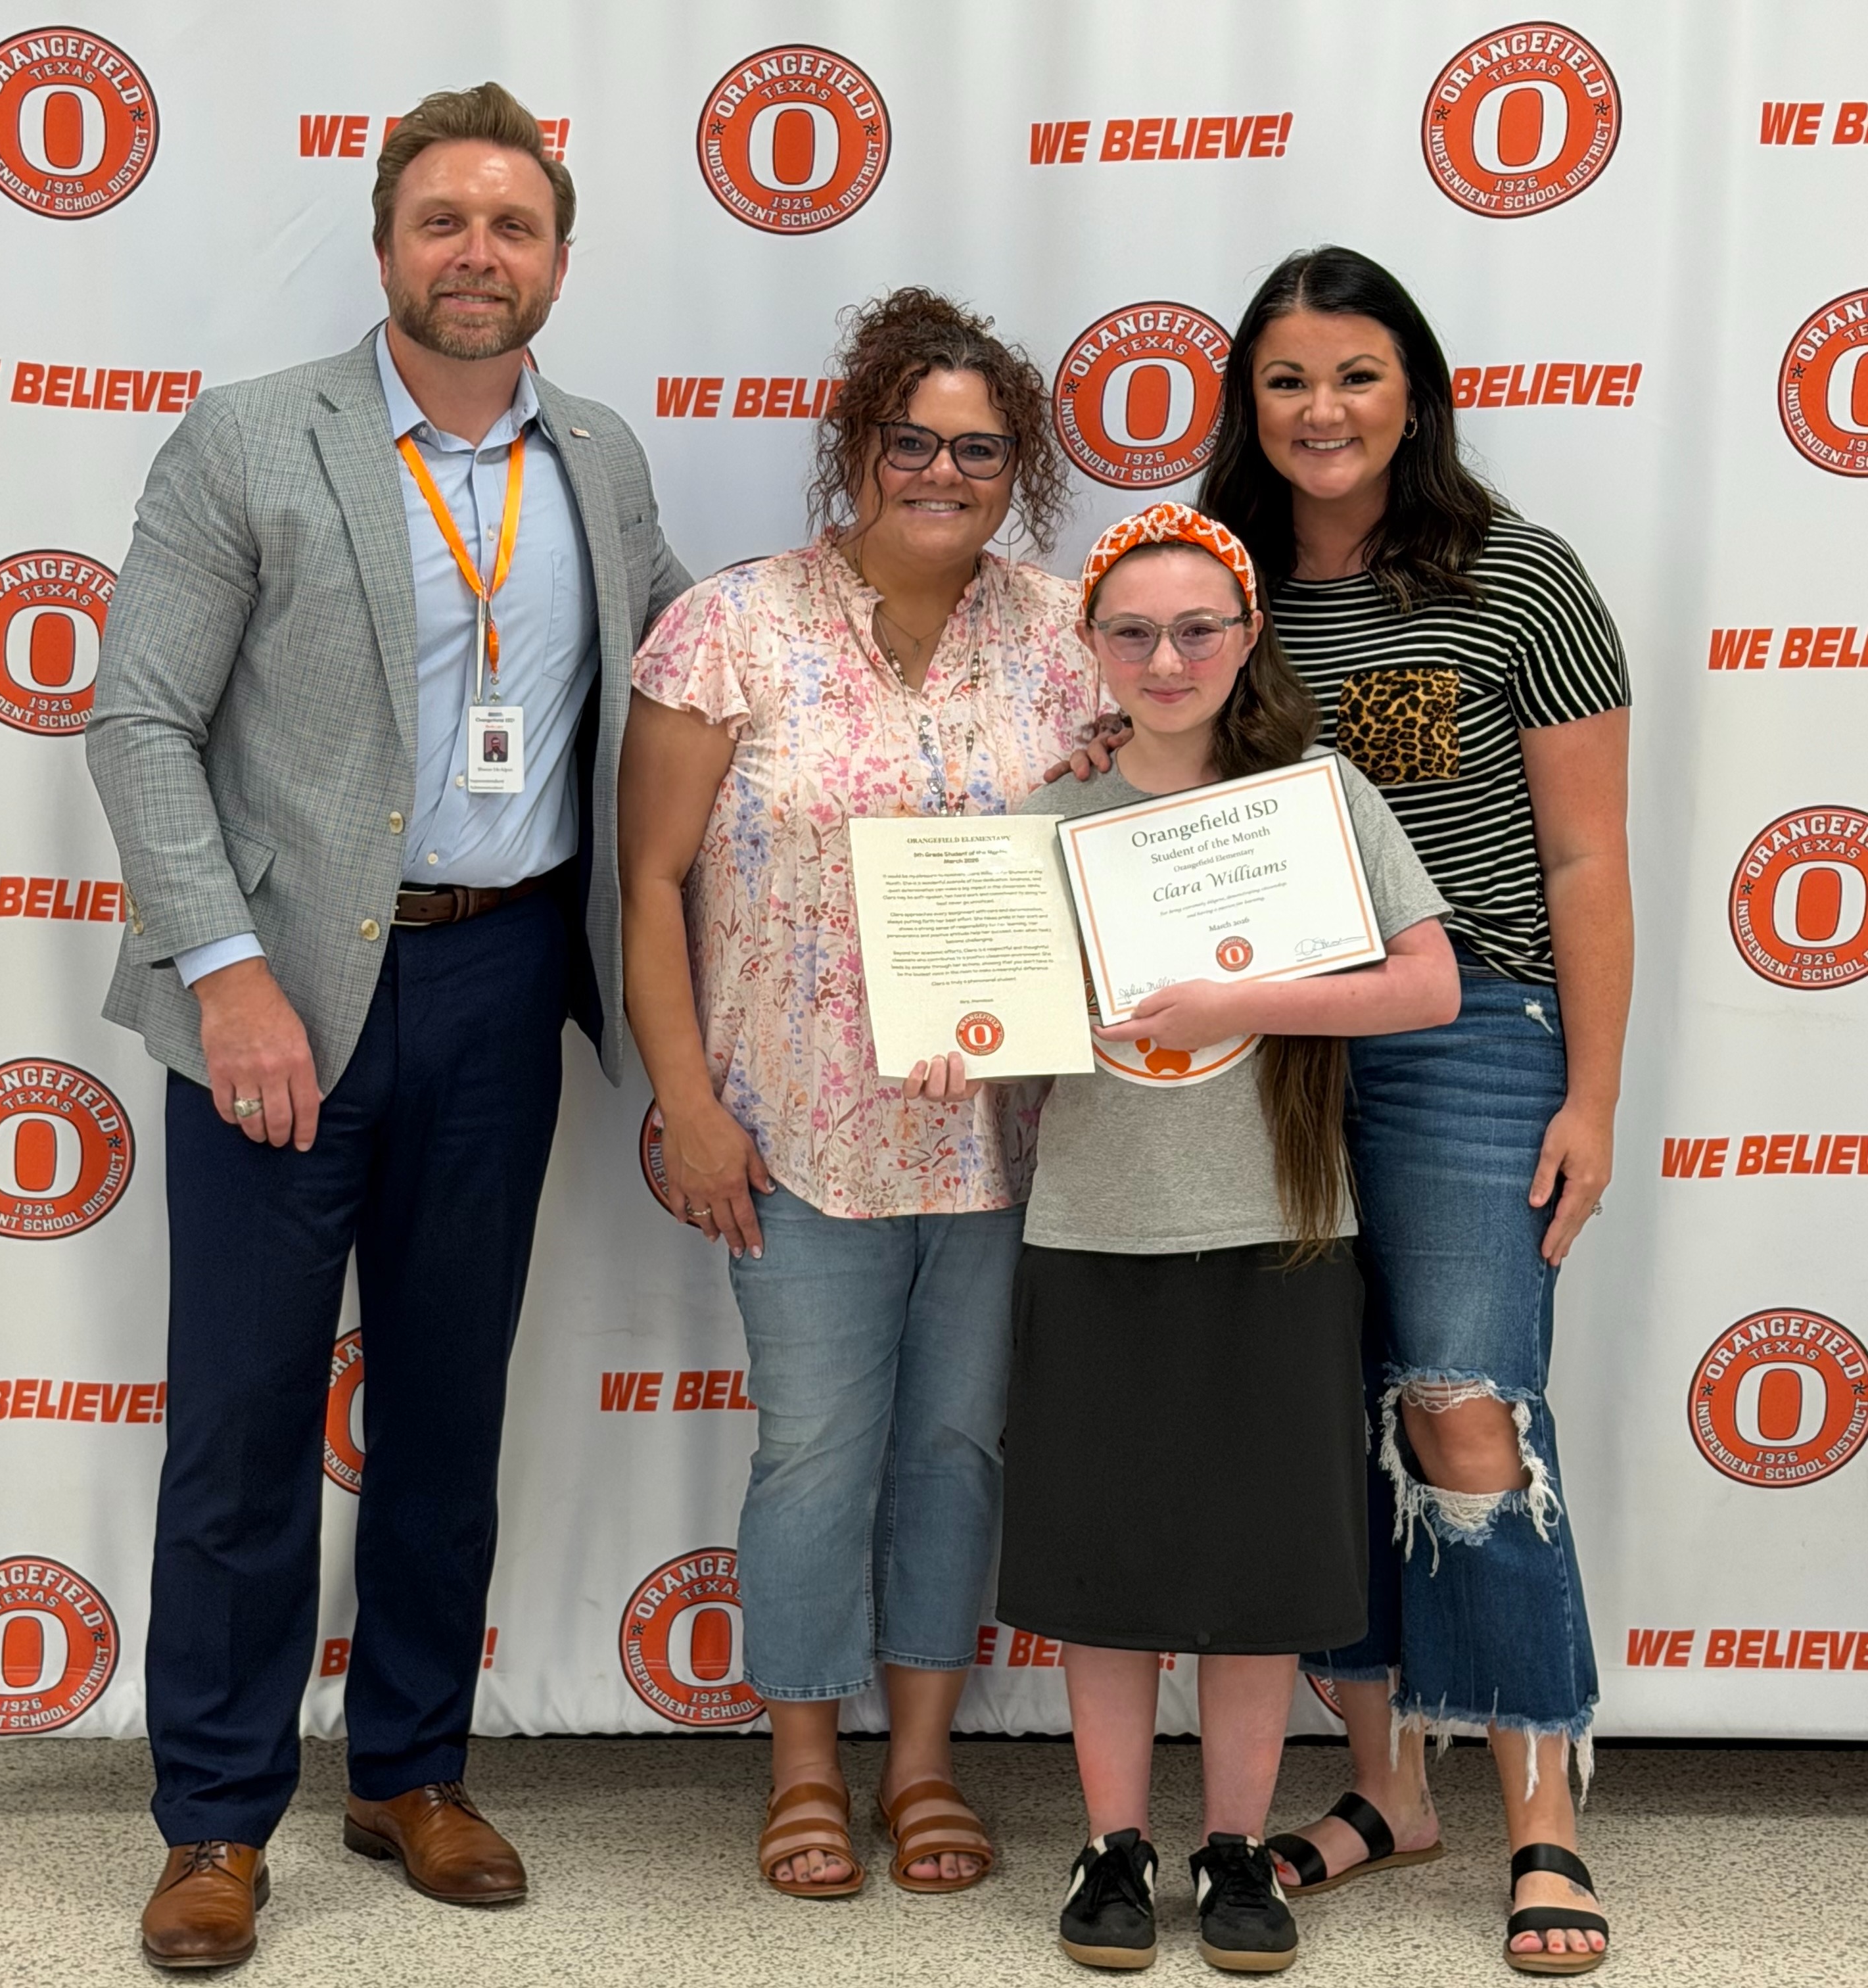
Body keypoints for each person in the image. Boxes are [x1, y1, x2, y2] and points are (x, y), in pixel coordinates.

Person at [86, 83, 689, 1969]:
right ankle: (213, 1818)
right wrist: (228, 972)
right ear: (384, 247)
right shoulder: (255, 438)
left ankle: (410, 1770)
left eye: (514, 227)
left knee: (444, 1407)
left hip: (505, 980)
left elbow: (685, 692)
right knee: (248, 1424)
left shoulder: (598, 456)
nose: (477, 257)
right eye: (444, 223)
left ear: (562, 261)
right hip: (282, 999)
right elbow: (136, 722)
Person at [619, 289, 1098, 1899]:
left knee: (959, 1447)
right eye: (915, 441)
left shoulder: (1066, 629)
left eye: (978, 449)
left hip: (1008, 1136)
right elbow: (651, 887)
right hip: (794, 1132)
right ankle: (804, 1759)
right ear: (858, 445)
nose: (943, 473)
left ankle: (924, 1761)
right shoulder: (728, 628)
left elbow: (1129, 842)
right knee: (815, 1450)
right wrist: (687, 1102)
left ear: (1013, 468)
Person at [1198, 247, 1629, 1975]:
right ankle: (1388, 1790)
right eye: (1289, 379)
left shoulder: (1519, 576)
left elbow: (1587, 853)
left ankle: (1545, 1816)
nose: (1322, 412)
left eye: (1358, 376)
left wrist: (1594, 1092)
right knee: (1314, 1433)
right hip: (1272, 1053)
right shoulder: (1215, 583)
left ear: (1416, 392)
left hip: (1477, 1035)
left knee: (1465, 1406)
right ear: (1250, 400)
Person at [1006, 504, 1457, 1974]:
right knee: (1110, 1567)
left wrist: (1234, 1004)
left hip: (1280, 1228)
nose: (1167, 654)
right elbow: (1005, 1024)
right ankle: (1114, 1848)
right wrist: (959, 1037)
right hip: (1096, 1228)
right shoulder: (1047, 817)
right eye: (1131, 630)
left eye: (1200, 625)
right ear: (1091, 648)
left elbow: (1427, 986)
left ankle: (1234, 1850)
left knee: (1259, 1574)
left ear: (1249, 635)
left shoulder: (1313, 800)